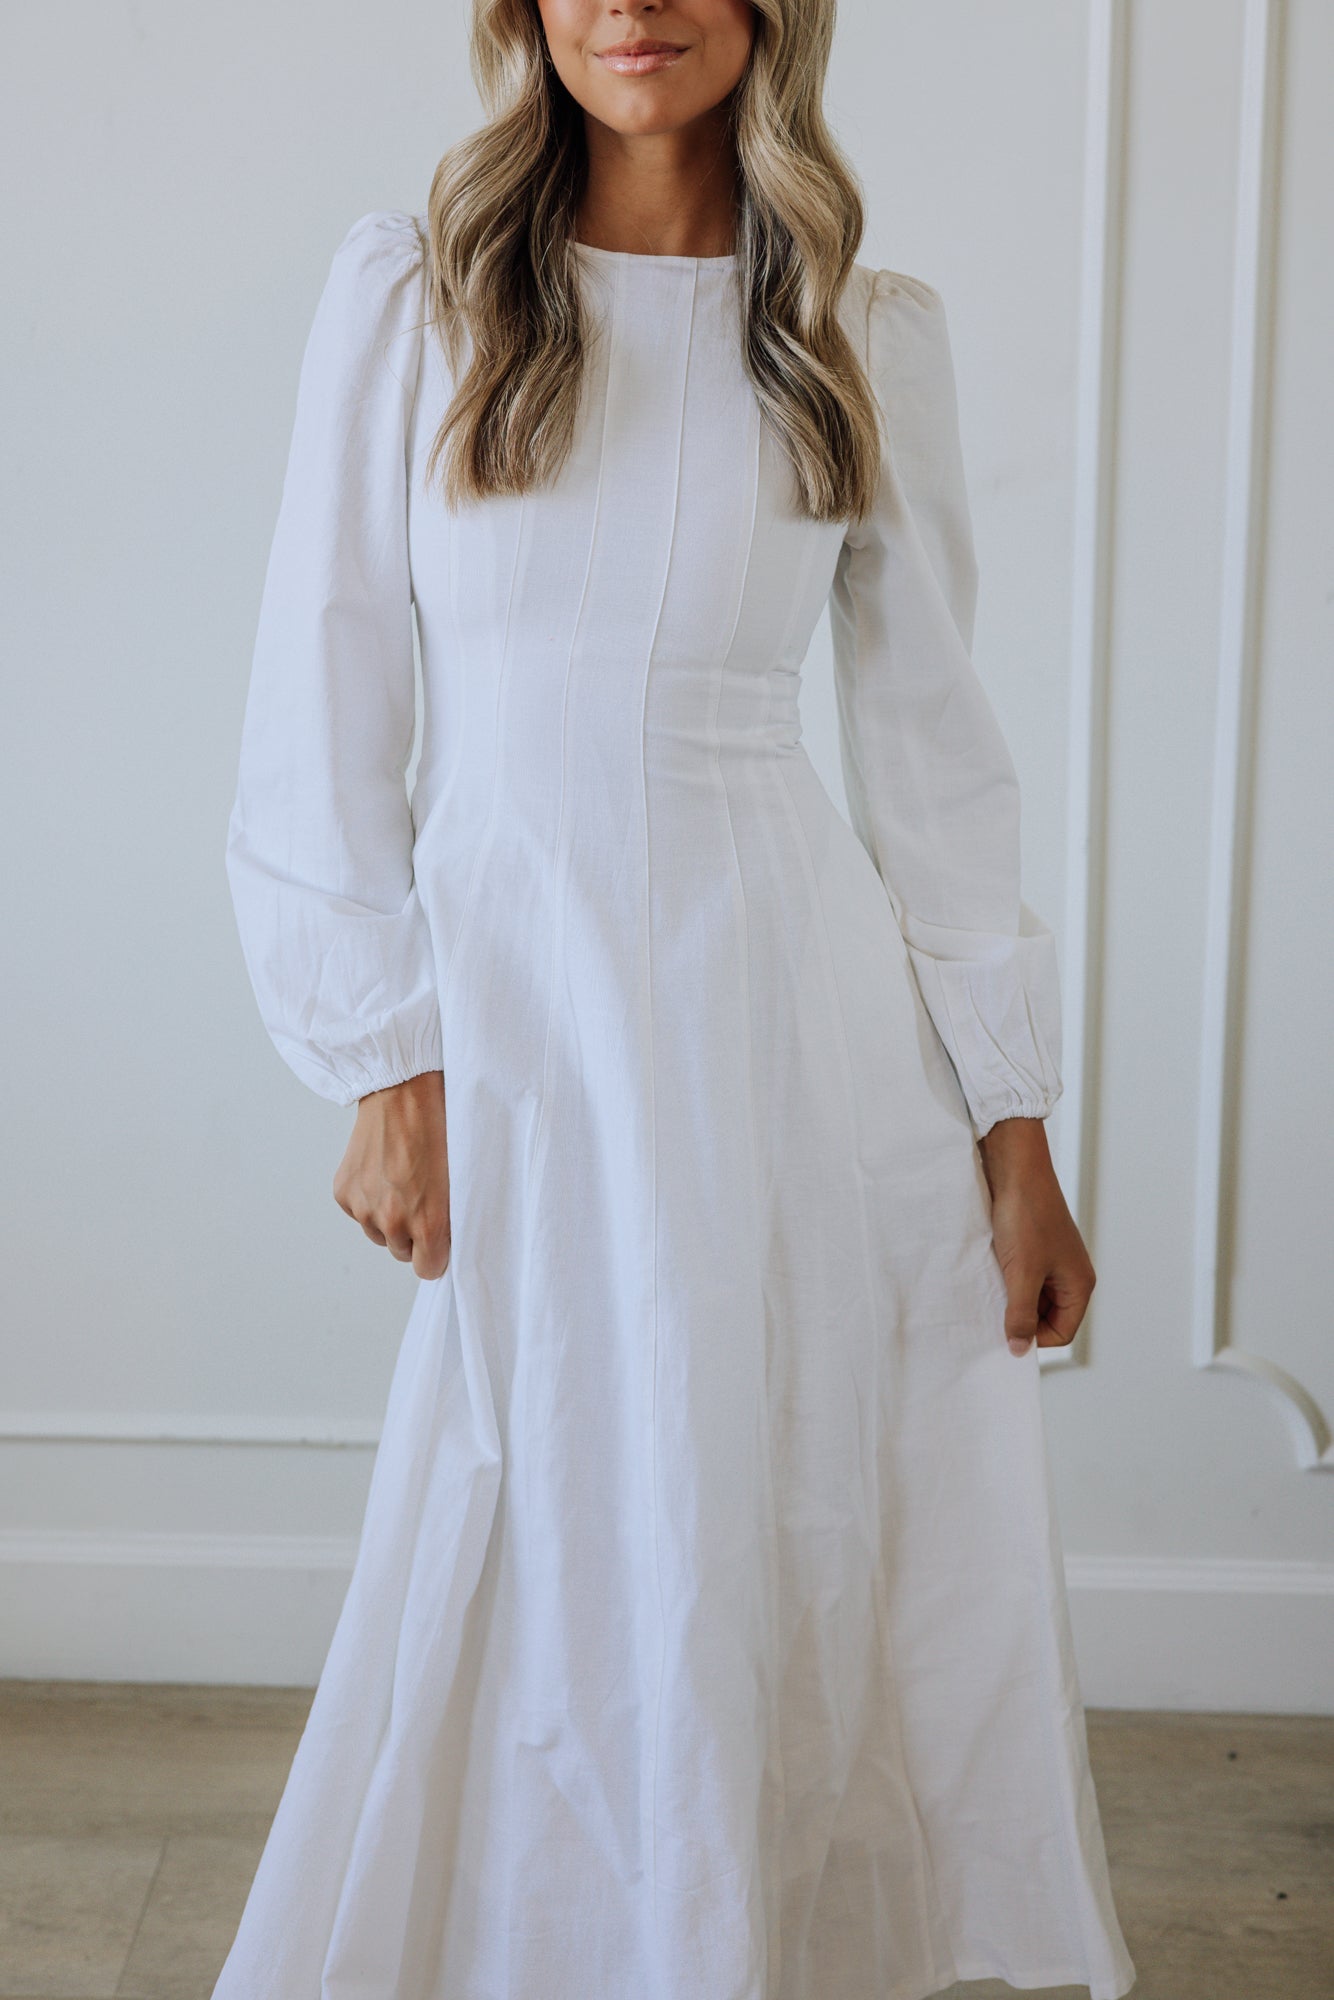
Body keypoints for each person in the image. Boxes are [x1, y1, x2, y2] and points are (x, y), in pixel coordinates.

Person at [217, 2, 1138, 1995]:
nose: (635, 3)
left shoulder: (855, 333)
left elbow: (934, 759)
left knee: (762, 1521)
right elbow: (320, 693)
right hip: (520, 1010)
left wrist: (1014, 1134)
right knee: (538, 1497)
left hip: (784, 1015)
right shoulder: (420, 302)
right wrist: (381, 1059)